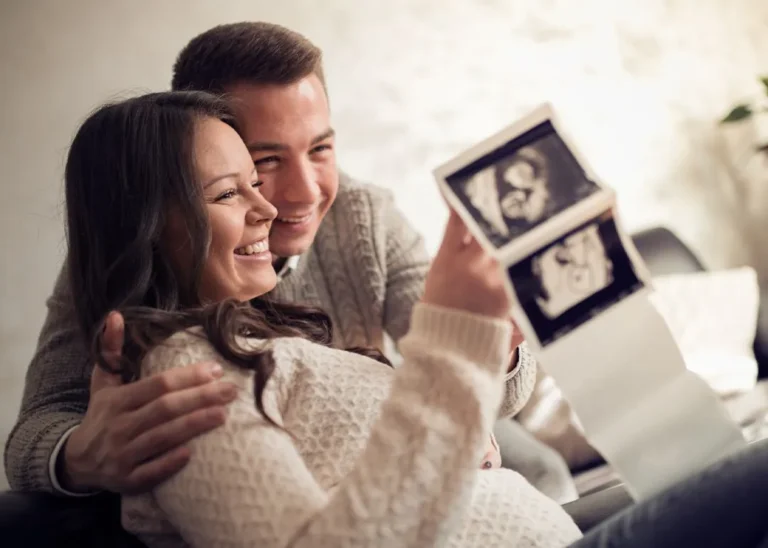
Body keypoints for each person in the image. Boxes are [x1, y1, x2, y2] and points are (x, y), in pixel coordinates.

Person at [61, 89, 768, 548]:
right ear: (152, 225)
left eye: (261, 179)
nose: (272, 207)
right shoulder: (177, 375)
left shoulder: (279, 318)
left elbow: (455, 425)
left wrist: (496, 341)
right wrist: (452, 347)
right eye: (231, 190)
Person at [5, 21, 570, 501]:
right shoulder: (134, 262)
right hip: (329, 477)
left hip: (391, 426)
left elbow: (488, 386)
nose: (302, 194)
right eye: (263, 161)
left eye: (320, 149)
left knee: (537, 465)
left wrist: (498, 342)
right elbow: (37, 431)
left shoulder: (362, 216)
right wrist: (79, 456)